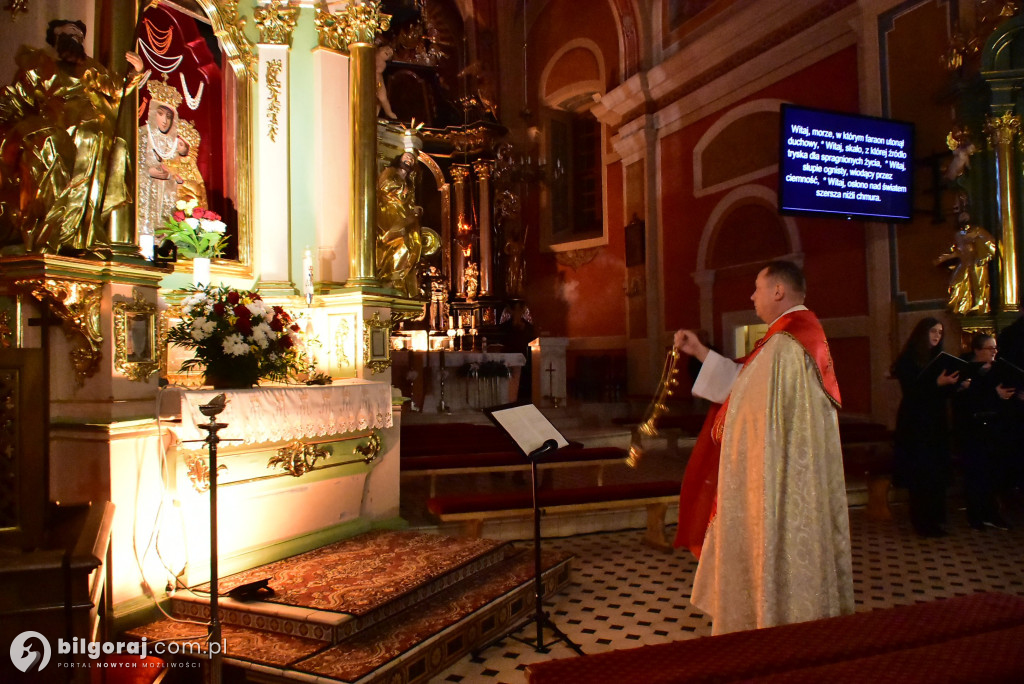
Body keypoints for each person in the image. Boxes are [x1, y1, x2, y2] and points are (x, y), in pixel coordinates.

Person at [673, 260, 853, 635]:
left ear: (778, 291)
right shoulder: (787, 340)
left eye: (757, 287)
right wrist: (701, 352)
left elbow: (750, 411)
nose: (751, 295)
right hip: (788, 476)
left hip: (779, 482)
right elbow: (743, 385)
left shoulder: (790, 344)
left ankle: (776, 628)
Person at [0, 19, 146, 253]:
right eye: (69, 34)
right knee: (73, 139)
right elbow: (16, 99)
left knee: (117, 148)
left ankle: (86, 233)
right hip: (58, 124)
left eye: (78, 36)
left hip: (95, 129)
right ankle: (58, 233)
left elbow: (116, 87)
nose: (75, 39)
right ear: (56, 39)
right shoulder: (39, 64)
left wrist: (135, 73)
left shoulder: (92, 68)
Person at [891, 317, 960, 537]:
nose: (936, 336)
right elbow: (912, 392)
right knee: (921, 473)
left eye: (940, 333)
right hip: (915, 423)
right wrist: (936, 383)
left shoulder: (938, 359)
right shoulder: (908, 360)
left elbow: (942, 394)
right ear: (922, 333)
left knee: (936, 472)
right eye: (933, 332)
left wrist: (957, 384)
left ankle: (936, 518)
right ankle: (922, 522)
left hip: (936, 422)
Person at [952, 333, 1015, 531]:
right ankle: (975, 515)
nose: (994, 352)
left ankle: (992, 513)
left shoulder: (999, 369)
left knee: (994, 473)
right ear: (977, 350)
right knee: (975, 472)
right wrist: (993, 393)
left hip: (995, 427)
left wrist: (1007, 396)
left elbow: (1004, 394)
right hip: (972, 428)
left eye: (995, 348)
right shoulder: (964, 368)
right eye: (990, 348)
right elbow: (964, 400)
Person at [376, 151, 438, 297]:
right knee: (401, 242)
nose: (409, 160)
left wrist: (415, 208)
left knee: (414, 244)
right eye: (406, 157)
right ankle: (390, 277)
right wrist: (400, 188)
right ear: (400, 159)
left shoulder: (409, 182)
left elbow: (408, 202)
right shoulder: (390, 171)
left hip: (403, 214)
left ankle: (401, 281)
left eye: (411, 159)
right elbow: (383, 186)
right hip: (389, 212)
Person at [934, 194, 996, 314]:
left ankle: (980, 307)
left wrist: (983, 256)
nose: (963, 216)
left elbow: (990, 244)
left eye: (965, 213)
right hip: (964, 262)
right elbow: (956, 251)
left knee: (979, 286)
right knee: (956, 284)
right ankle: (962, 307)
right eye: (960, 213)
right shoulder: (958, 235)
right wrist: (944, 259)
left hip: (977, 262)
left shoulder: (978, 231)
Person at [136, 80, 184, 238]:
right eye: (161, 114)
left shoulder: (173, 143)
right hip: (145, 196)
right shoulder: (142, 134)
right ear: (152, 113)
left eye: (169, 116)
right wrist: (147, 171)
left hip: (165, 198)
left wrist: (174, 177)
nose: (165, 121)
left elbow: (176, 170)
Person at [163, 119, 208, 206]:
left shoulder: (190, 163)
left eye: (180, 144)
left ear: (187, 148)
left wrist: (184, 183)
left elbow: (199, 186)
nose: (176, 147)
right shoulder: (167, 161)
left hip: (187, 197)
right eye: (175, 143)